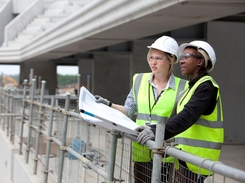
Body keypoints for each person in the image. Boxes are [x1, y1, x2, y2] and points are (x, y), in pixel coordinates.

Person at [95, 36, 188, 183]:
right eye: (151, 57)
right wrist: (108, 104)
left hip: (166, 155)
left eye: (159, 58)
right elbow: (128, 110)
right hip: (142, 151)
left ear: (171, 59)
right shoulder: (139, 80)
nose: (153, 62)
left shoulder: (183, 87)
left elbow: (183, 121)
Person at [135, 40, 224, 183]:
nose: (181, 61)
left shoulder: (206, 87)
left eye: (186, 56)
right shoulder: (191, 87)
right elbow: (177, 119)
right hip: (185, 159)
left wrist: (157, 132)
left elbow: (187, 116)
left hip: (197, 161)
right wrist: (152, 129)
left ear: (200, 62)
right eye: (181, 57)